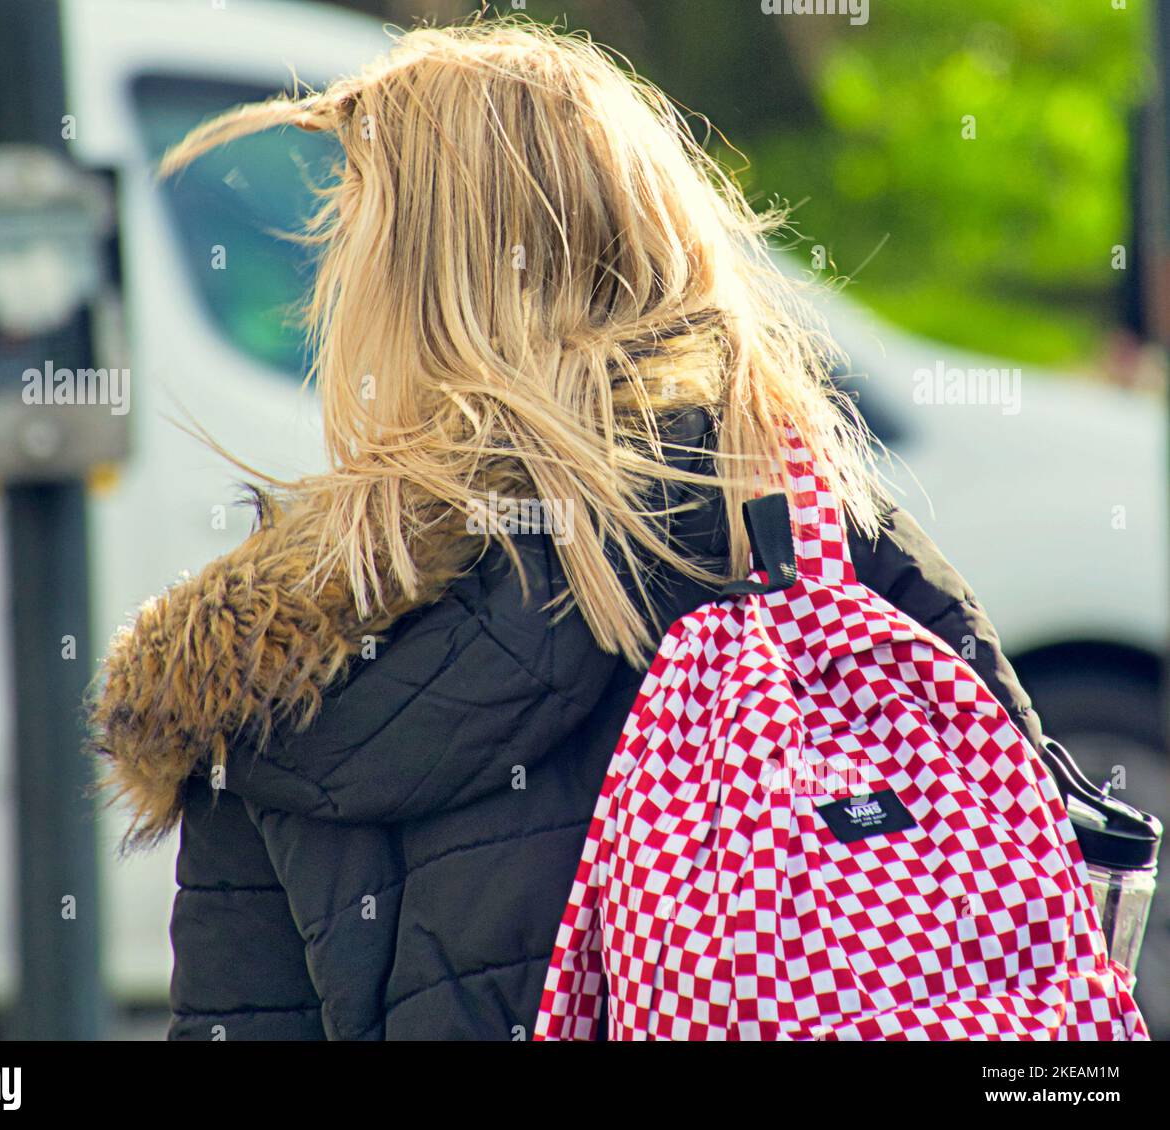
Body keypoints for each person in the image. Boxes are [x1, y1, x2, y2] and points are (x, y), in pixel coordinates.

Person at [91, 21, 1041, 1040]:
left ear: (388, 290)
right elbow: (1036, 871)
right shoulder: (816, 537)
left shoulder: (262, 679)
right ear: (657, 243)